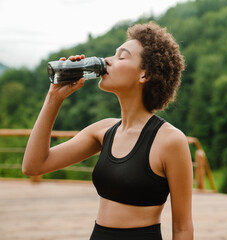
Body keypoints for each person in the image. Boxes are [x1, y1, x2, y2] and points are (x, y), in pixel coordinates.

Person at [22, 21, 193, 240]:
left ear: (144, 75)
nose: (107, 61)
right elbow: (34, 165)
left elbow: (182, 228)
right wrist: (54, 97)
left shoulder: (170, 140)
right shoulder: (103, 131)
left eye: (121, 57)